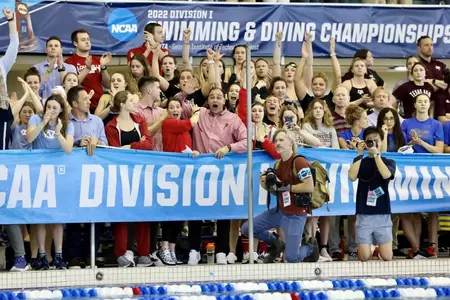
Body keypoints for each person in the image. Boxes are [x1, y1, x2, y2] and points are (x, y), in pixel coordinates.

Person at [187, 88, 247, 266]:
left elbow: (246, 140)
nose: (215, 99)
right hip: (200, 172)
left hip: (223, 174)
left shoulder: (233, 119)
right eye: (212, 96)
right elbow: (178, 108)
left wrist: (229, 148)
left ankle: (221, 250)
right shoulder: (200, 113)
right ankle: (194, 250)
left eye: (219, 97)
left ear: (225, 100)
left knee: (223, 213)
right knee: (196, 211)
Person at [241, 128, 319, 263]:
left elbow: (309, 186)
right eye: (276, 140)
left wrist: (287, 187)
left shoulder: (299, 161)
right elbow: (278, 191)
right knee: (247, 228)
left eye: (281, 140)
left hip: (296, 214)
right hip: (281, 211)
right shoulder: (278, 164)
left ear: (291, 142)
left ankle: (310, 247)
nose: (277, 143)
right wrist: (265, 184)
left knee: (291, 257)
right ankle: (277, 243)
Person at [105, 90, 153, 267]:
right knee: (122, 216)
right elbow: (115, 152)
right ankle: (122, 253)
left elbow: (149, 144)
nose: (135, 103)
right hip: (122, 175)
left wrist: (130, 145)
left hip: (141, 173)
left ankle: (144, 253)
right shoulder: (111, 126)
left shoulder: (139, 121)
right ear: (123, 104)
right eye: (132, 101)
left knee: (143, 214)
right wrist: (132, 148)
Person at [26, 94, 75, 270]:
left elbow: (68, 149)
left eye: (55, 107)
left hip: (58, 175)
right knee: (40, 216)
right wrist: (42, 123)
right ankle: (41, 254)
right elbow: (30, 138)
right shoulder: (36, 118)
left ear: (61, 109)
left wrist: (58, 132)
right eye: (49, 107)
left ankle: (59, 255)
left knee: (57, 216)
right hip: (38, 173)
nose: (51, 110)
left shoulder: (67, 125)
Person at [401, 93, 443, 258]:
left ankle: (432, 245)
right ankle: (416, 247)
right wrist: (413, 142)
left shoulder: (436, 124)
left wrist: (421, 142)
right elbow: (402, 146)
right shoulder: (407, 123)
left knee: (433, 209)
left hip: (431, 169)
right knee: (415, 210)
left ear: (429, 105)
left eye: (425, 101)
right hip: (411, 169)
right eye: (420, 102)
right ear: (415, 105)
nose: (423, 104)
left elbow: (438, 150)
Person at [159, 98, 200, 265]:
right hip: (170, 174)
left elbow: (185, 146)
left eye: (178, 106)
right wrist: (197, 111)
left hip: (183, 175)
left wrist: (194, 153)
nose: (175, 109)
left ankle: (173, 249)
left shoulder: (184, 129)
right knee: (169, 214)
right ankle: (164, 248)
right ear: (167, 111)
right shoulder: (169, 123)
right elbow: (192, 122)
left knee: (179, 215)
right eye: (171, 107)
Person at [348, 126, 396, 262]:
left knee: (387, 257)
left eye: (376, 141)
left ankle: (378, 249)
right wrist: (359, 153)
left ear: (381, 142)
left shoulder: (389, 162)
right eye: (370, 141)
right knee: (364, 257)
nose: (373, 144)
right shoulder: (360, 161)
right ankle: (371, 248)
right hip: (364, 213)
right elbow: (351, 176)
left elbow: (386, 174)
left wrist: (376, 155)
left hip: (383, 212)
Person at [65, 29, 112, 112]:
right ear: (75, 43)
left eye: (88, 39)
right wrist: (87, 69)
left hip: (100, 105)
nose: (87, 42)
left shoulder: (97, 60)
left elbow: (107, 85)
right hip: (80, 106)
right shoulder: (69, 62)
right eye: (83, 40)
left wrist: (103, 67)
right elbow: (72, 84)